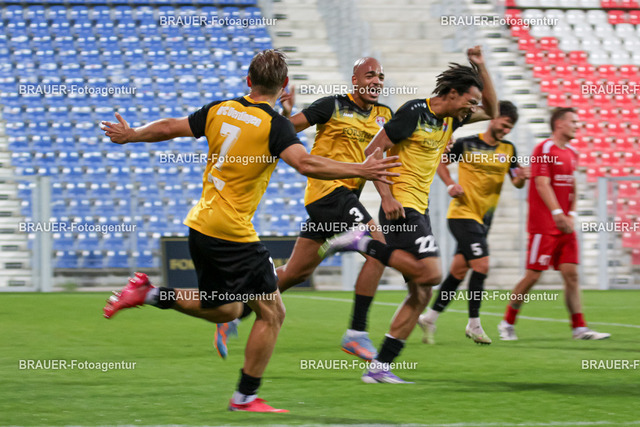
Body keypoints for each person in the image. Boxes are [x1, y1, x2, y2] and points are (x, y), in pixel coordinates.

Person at [99, 49, 400, 413]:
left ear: (248, 80)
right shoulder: (275, 125)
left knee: (225, 309)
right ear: (284, 84)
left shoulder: (220, 109)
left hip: (200, 225)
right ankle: (245, 397)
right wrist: (360, 169)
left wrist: (131, 135)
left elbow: (169, 127)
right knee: (272, 313)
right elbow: (305, 163)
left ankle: (147, 293)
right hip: (233, 232)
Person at [321, 46, 498, 383]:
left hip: (420, 208)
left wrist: (481, 66)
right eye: (469, 100)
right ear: (452, 94)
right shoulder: (414, 112)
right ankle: (362, 243)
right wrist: (386, 196)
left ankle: (379, 368)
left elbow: (492, 109)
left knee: (421, 293)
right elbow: (373, 149)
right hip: (402, 206)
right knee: (432, 274)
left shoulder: (452, 118)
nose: (472, 107)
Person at [214, 57, 394, 362]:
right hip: (327, 192)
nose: (376, 81)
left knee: (295, 273)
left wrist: (389, 194)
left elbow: (380, 159)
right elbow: (283, 129)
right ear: (355, 80)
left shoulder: (384, 115)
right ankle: (356, 334)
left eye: (380, 76)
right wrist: (286, 111)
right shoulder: (331, 105)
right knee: (379, 248)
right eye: (369, 75)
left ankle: (233, 312)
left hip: (342, 199)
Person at [417, 100, 530, 345]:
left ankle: (429, 318)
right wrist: (450, 184)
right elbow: (439, 162)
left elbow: (516, 181)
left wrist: (522, 177)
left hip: (483, 221)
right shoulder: (467, 143)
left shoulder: (508, 149)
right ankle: (474, 324)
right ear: (494, 118)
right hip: (461, 215)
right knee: (482, 265)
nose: (506, 130)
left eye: (510, 128)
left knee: (458, 272)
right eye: (504, 124)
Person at [497, 107, 610, 341]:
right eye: (573, 122)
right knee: (533, 276)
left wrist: (572, 215)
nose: (577, 125)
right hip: (544, 226)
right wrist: (557, 212)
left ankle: (579, 328)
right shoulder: (544, 149)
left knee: (572, 275)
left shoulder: (572, 153)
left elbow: (573, 186)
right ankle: (507, 322)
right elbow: (541, 183)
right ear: (559, 124)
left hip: (565, 226)